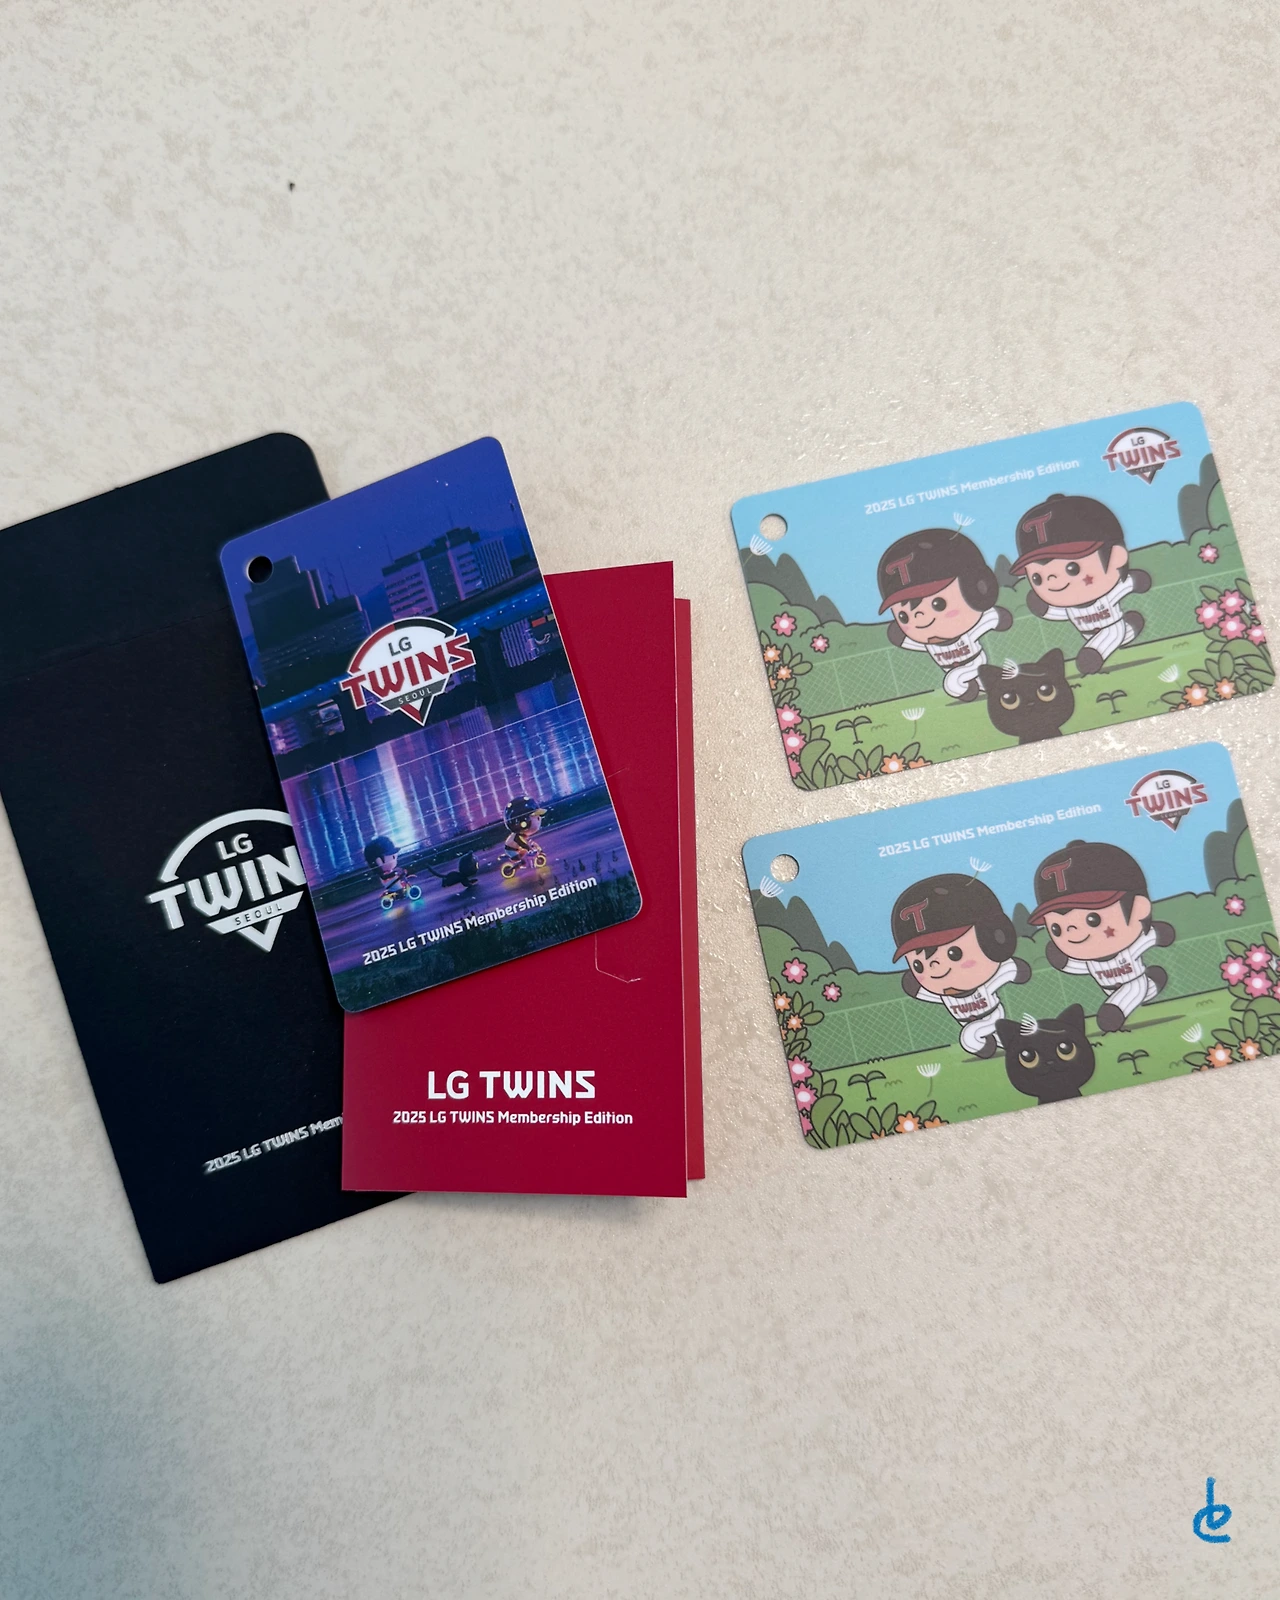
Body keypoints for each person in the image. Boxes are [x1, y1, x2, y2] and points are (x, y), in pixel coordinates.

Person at [1029, 840, 1175, 1032]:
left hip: (1134, 981)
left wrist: (1159, 934)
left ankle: (1116, 1010)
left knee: (1134, 990)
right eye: (1057, 929)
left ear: (1139, 908)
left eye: (1093, 919)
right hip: (1108, 987)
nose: (1071, 932)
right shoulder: (1089, 961)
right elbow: (1076, 966)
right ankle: (1154, 982)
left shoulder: (1130, 949)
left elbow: (1152, 937)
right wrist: (1063, 961)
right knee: (1146, 990)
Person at [892, 873, 1030, 1057]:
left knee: (971, 1036)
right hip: (967, 1021)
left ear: (997, 939)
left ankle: (992, 1046)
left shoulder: (984, 986)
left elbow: (1010, 971)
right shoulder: (943, 995)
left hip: (992, 1015)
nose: (936, 969)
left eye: (954, 954)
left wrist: (1014, 970)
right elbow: (917, 989)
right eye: (919, 965)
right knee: (1006, 1041)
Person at [1011, 493, 1151, 675]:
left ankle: (1095, 653)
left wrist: (1136, 581)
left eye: (1072, 568)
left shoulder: (1107, 596)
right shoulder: (1069, 607)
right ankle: (1132, 625)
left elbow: (1128, 584)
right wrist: (1044, 609)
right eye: (1038, 578)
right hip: (1087, 633)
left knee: (1113, 635)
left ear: (1116, 557)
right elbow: (1059, 613)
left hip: (1112, 626)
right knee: (1125, 635)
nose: (1052, 580)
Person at [877, 528, 1012, 703]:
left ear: (980, 589)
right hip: (952, 669)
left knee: (953, 682)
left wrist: (997, 618)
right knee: (985, 685)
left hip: (975, 663)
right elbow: (901, 638)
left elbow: (992, 619)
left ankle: (973, 689)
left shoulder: (967, 634)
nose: (921, 620)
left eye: (938, 604)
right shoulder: (927, 644)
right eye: (904, 616)